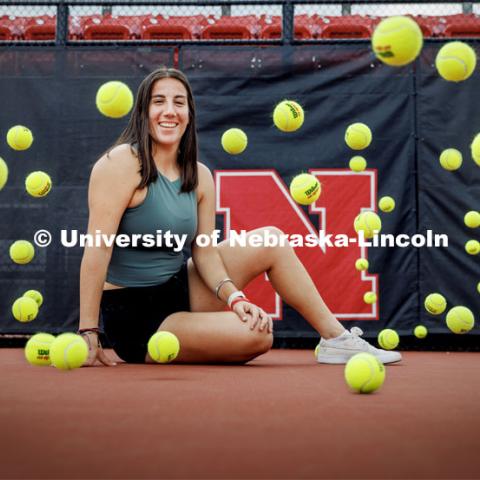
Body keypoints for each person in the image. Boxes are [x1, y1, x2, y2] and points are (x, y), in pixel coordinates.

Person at [78, 66, 401, 367]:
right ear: (144, 113)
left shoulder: (199, 175)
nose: (169, 111)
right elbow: (98, 248)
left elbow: (203, 251)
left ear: (189, 114)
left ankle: (337, 339)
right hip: (133, 312)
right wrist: (88, 330)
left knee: (271, 239)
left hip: (178, 286)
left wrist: (235, 298)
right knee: (258, 335)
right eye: (158, 101)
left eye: (179, 102)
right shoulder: (120, 163)